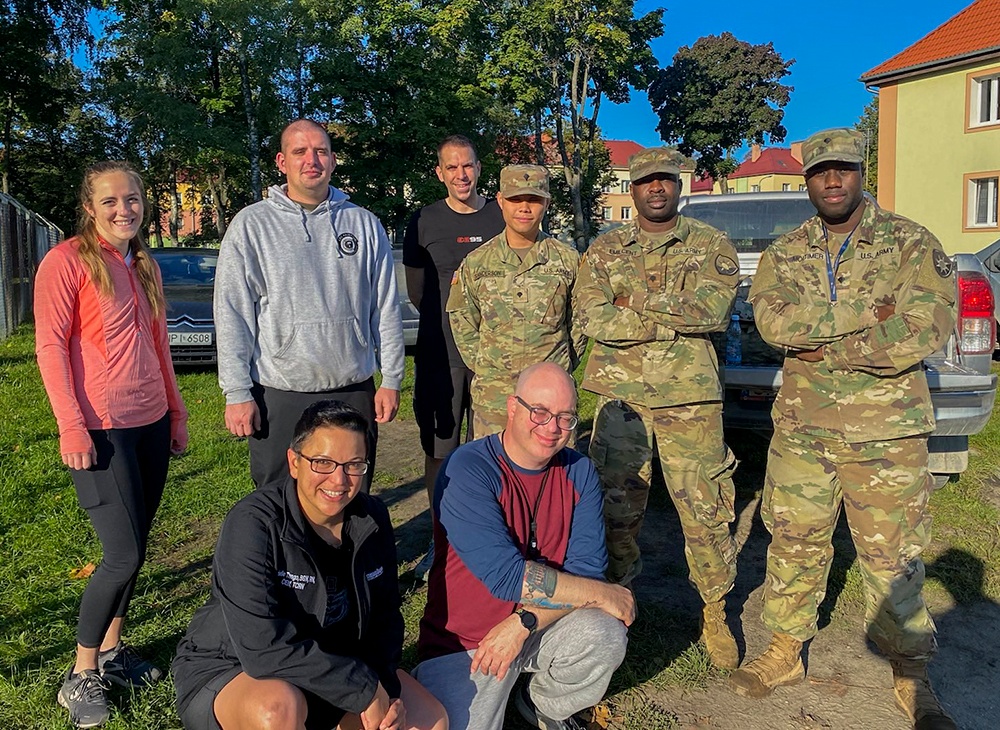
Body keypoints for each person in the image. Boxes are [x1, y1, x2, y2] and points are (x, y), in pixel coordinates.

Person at [730, 128, 957, 730]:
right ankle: (783, 653)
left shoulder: (910, 243)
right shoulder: (786, 252)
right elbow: (775, 324)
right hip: (804, 431)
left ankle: (910, 673)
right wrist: (868, 316)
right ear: (807, 179)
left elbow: (929, 326)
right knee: (794, 542)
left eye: (844, 170)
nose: (833, 181)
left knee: (893, 558)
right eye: (821, 171)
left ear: (862, 174)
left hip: (886, 434)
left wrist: (832, 346)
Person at [172, 401, 447, 730]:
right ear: (294, 462)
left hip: (335, 668)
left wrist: (383, 690)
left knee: (429, 720)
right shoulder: (254, 522)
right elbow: (263, 649)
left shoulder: (373, 517)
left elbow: (386, 623)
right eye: (323, 462)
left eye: (354, 464)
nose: (339, 479)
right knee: (277, 710)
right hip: (239, 670)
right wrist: (362, 691)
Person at [34, 160, 189, 728]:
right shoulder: (66, 261)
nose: (125, 210)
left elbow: (159, 345)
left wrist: (175, 412)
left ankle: (113, 653)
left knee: (137, 549)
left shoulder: (143, 263)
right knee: (121, 554)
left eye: (133, 200)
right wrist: (71, 426)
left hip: (149, 422)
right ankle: (80, 675)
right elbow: (50, 349)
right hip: (100, 428)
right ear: (89, 207)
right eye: (111, 202)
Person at [573, 147, 742, 669]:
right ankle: (617, 603)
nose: (656, 189)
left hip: (690, 400)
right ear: (633, 189)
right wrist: (669, 318)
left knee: (706, 509)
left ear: (679, 186)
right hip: (623, 402)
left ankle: (715, 610)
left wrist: (636, 305)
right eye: (646, 181)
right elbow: (591, 315)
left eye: (665, 180)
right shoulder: (604, 250)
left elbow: (712, 310)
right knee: (615, 509)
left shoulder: (710, 244)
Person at [414, 363, 633, 730]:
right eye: (540, 412)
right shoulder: (467, 468)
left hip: (535, 628)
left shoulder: (578, 471)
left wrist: (525, 622)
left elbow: (586, 573)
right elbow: (505, 577)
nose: (552, 428)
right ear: (512, 408)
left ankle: (543, 704)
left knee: (604, 632)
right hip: (470, 642)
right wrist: (603, 592)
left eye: (565, 418)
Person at [214, 118, 404, 491]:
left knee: (347, 493)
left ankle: (347, 553)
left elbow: (385, 307)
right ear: (282, 162)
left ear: (333, 160)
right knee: (279, 498)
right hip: (281, 392)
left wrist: (392, 378)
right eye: (300, 151)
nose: (311, 160)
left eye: (320, 151)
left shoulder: (363, 224)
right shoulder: (252, 225)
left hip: (352, 386)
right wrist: (237, 392)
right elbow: (233, 313)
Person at [403, 135, 504, 581]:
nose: (461, 175)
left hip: (496, 357)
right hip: (439, 353)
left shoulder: (501, 215)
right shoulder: (423, 221)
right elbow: (418, 293)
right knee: (441, 449)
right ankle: (440, 541)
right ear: (439, 173)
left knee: (495, 448)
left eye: (468, 166)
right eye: (452, 168)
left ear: (479, 168)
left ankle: (494, 539)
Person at [446, 165, 586, 439]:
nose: (524, 208)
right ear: (500, 201)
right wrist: (490, 368)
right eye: (515, 199)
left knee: (554, 476)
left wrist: (561, 367)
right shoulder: (477, 263)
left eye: (533, 199)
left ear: (546, 202)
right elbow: (462, 321)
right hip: (495, 401)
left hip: (551, 400)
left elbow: (580, 323)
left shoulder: (567, 260)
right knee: (494, 476)